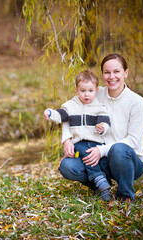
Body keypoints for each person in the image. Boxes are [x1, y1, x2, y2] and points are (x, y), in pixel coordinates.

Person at [59, 53, 143, 203]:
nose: (111, 76)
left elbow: (133, 140)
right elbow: (69, 112)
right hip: (99, 158)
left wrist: (101, 151)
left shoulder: (137, 102)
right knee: (67, 166)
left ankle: (125, 194)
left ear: (126, 72)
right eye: (107, 72)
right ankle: (100, 184)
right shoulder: (94, 92)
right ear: (102, 75)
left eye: (116, 71)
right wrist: (67, 139)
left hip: (129, 161)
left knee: (119, 149)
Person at [44, 70, 112, 201]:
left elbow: (105, 122)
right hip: (79, 143)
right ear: (76, 90)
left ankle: (101, 186)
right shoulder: (70, 106)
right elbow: (61, 115)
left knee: (97, 158)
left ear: (96, 90)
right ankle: (99, 179)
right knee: (83, 149)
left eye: (90, 91)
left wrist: (102, 127)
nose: (87, 94)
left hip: (96, 143)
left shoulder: (99, 106)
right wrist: (51, 113)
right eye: (83, 91)